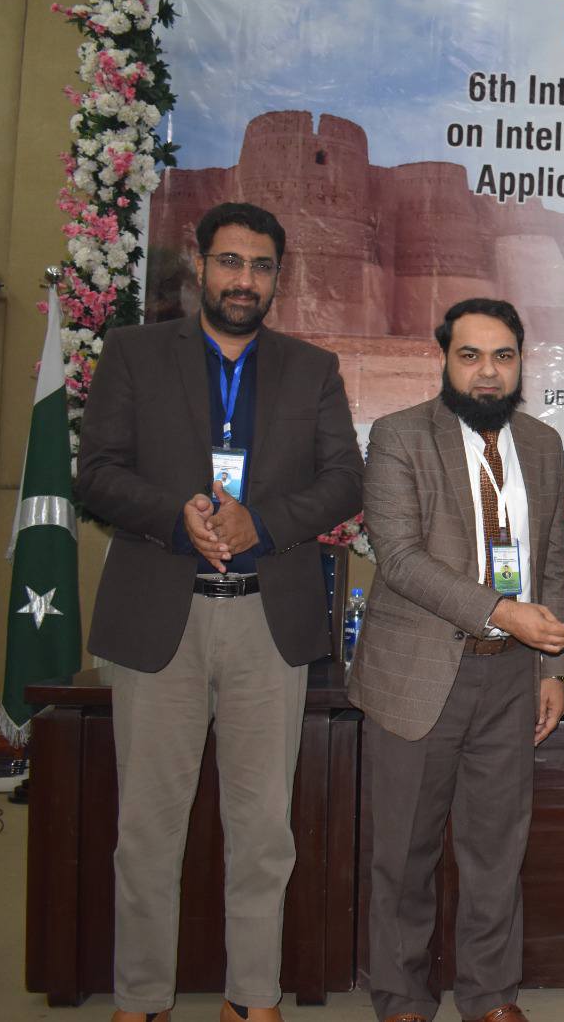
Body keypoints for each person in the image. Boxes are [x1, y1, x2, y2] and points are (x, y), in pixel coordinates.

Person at [75, 201, 364, 1022]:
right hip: (158, 618)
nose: (245, 280)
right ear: (199, 265)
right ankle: (141, 999)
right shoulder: (134, 353)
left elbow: (344, 479)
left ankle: (253, 999)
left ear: (278, 278)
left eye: (261, 266)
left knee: (264, 831)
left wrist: (259, 525)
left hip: (265, 621)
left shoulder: (311, 369)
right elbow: (96, 473)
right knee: (147, 830)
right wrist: (177, 518)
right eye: (230, 262)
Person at [349, 297, 564, 1022]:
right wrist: (502, 611)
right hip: (417, 673)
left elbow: (552, 561)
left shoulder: (541, 444)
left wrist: (553, 671)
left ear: (521, 363)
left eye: (503, 357)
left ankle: (490, 996)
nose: (487, 372)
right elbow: (399, 558)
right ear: (444, 359)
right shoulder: (399, 435)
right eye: (470, 355)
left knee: (496, 851)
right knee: (404, 852)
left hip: (512, 677)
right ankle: (402, 999)